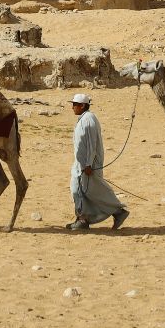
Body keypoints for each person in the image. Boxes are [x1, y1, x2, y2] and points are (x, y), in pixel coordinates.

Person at [66, 94, 127, 230]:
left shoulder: (89, 120)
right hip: (80, 164)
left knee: (92, 191)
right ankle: (83, 219)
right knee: (79, 189)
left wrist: (88, 164)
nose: (72, 107)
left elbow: (92, 144)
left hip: (88, 165)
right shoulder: (83, 119)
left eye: (75, 104)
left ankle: (117, 212)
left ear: (82, 106)